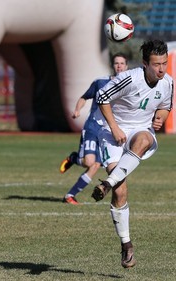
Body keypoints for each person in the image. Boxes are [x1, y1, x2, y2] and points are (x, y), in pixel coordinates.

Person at [91, 39, 173, 268]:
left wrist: (162, 118)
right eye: (156, 64)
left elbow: (166, 105)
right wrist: (115, 128)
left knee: (145, 139)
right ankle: (126, 246)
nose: (161, 69)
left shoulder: (168, 82)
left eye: (164, 63)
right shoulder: (128, 78)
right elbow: (101, 97)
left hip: (139, 130)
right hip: (111, 132)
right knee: (121, 192)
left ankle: (106, 183)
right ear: (145, 63)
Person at [59, 53, 129, 205]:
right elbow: (84, 97)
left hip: (108, 131)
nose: (119, 66)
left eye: (122, 63)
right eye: (116, 63)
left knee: (96, 166)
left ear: (127, 66)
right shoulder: (100, 82)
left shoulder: (128, 86)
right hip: (93, 127)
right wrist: (77, 110)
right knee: (89, 162)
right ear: (113, 65)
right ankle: (73, 158)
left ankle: (70, 195)